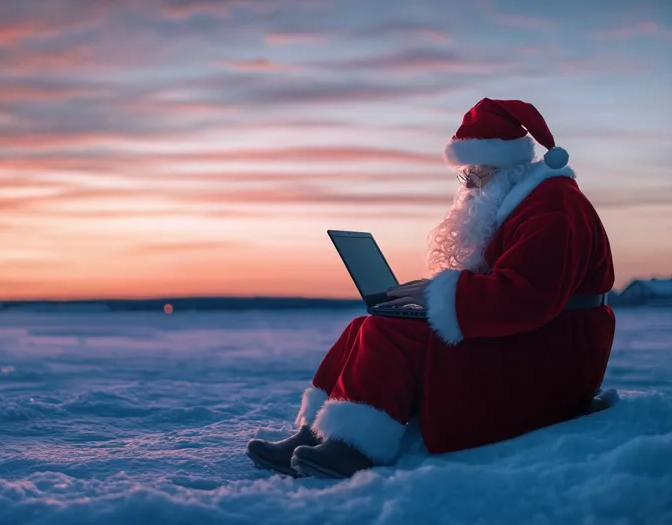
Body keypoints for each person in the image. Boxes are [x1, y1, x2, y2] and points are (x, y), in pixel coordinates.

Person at [247, 98, 616, 479]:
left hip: (553, 356)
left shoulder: (554, 207)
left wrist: (442, 294)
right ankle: (316, 432)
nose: (468, 185)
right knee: (362, 327)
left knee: (387, 333)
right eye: (464, 174)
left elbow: (527, 296)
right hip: (533, 340)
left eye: (476, 173)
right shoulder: (525, 203)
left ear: (510, 168)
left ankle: (353, 446)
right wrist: (440, 295)